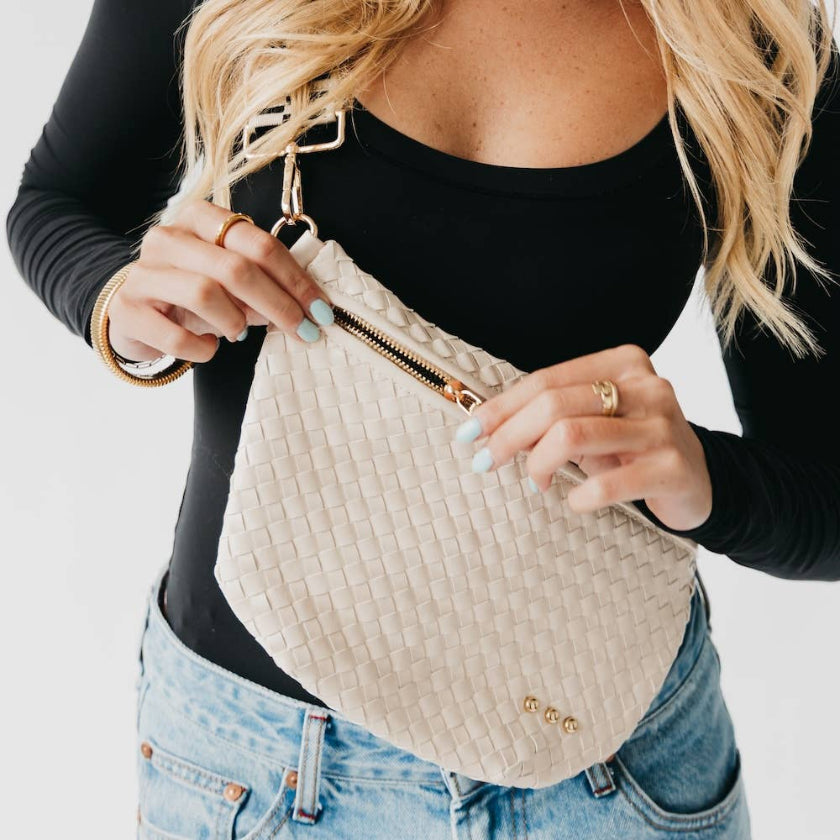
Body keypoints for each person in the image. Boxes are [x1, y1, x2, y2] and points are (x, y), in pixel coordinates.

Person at [6, 0, 839, 836]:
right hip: (256, 768)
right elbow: (55, 202)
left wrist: (705, 477)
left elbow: (825, 492)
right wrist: (119, 300)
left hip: (610, 765)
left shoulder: (750, 39)